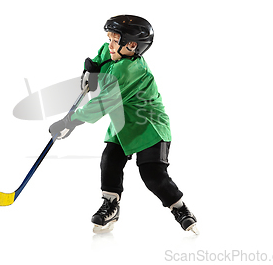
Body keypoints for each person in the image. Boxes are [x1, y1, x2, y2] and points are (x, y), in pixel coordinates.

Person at [49, 15, 198, 234]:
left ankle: (180, 209)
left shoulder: (129, 71)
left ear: (131, 45)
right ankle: (111, 205)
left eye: (114, 39)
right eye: (110, 37)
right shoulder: (115, 52)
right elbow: (101, 55)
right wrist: (92, 68)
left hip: (149, 126)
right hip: (122, 125)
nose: (109, 44)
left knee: (153, 176)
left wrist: (69, 121)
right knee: (109, 161)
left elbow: (100, 105)